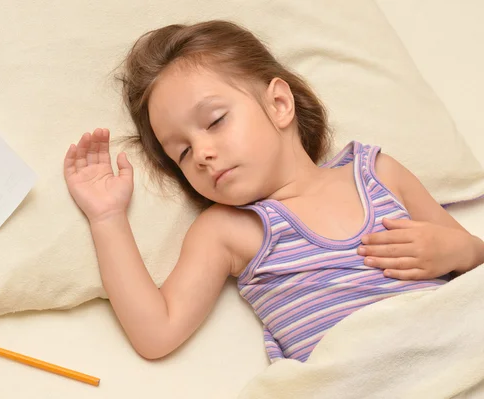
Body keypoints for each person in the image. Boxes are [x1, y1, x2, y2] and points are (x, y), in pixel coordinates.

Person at [63, 20, 484, 363]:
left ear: (279, 104)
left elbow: (475, 261)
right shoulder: (230, 230)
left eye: (214, 121)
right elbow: (156, 334)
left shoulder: (378, 174)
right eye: (184, 152)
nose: (203, 154)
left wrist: (459, 251)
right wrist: (107, 218)